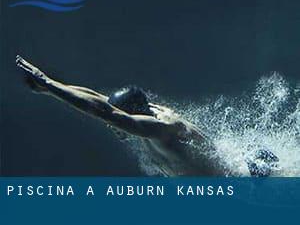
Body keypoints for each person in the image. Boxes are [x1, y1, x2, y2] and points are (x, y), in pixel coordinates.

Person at [15, 55, 278, 176]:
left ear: (132, 115)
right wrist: (51, 88)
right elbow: (99, 100)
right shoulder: (146, 114)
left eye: (115, 121)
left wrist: (48, 84)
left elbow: (105, 112)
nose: (110, 126)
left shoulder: (162, 129)